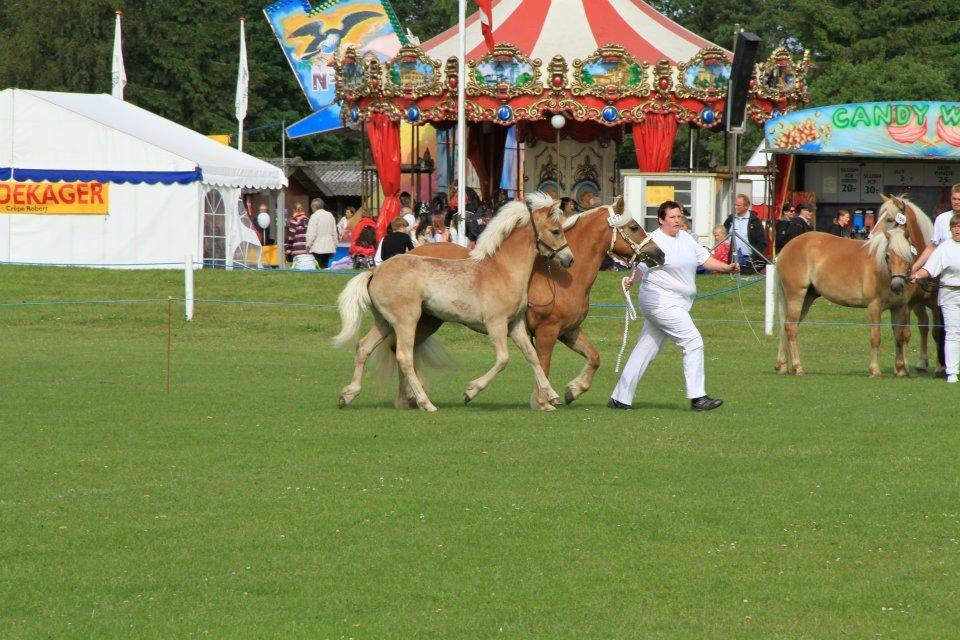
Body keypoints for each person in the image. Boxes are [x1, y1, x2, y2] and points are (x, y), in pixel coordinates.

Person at [608, 200, 739, 412]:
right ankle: (698, 398)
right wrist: (632, 279)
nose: (677, 220)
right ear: (661, 220)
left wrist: (727, 267)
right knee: (693, 340)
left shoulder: (686, 238)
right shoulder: (653, 240)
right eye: (672, 217)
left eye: (680, 216)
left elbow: (705, 260)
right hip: (659, 301)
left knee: (645, 350)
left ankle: (619, 399)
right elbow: (641, 267)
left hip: (678, 302)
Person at [911, 183, 960, 375]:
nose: (957, 203)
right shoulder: (942, 219)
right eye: (954, 199)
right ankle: (945, 366)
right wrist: (916, 268)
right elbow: (932, 247)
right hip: (945, 279)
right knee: (947, 326)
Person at [723, 194, 768, 273]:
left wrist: (754, 256)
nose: (736, 207)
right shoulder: (731, 219)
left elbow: (762, 242)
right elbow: (724, 233)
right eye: (735, 205)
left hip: (749, 259)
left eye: (739, 205)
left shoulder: (755, 221)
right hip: (734, 258)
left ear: (746, 206)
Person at [305, 197, 338, 268]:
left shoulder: (314, 216)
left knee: (316, 269)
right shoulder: (330, 215)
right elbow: (334, 233)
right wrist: (335, 246)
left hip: (316, 248)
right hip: (328, 247)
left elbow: (311, 234)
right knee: (324, 268)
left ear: (314, 206)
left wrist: (308, 246)